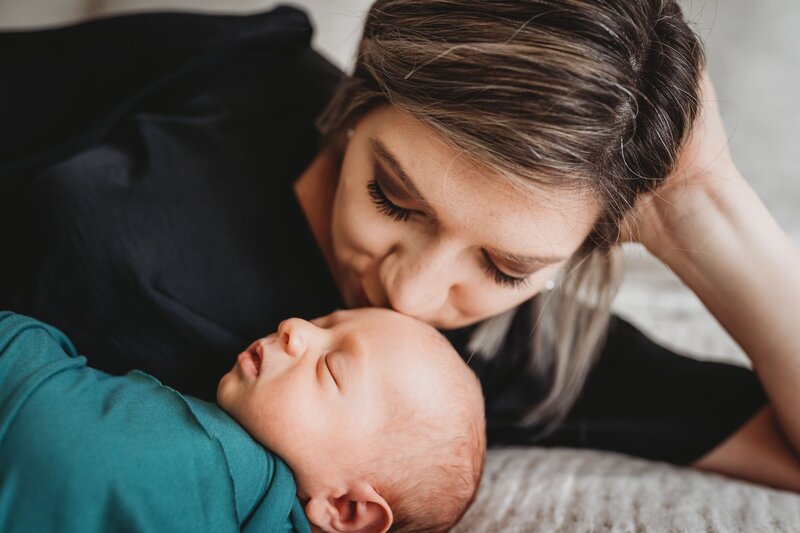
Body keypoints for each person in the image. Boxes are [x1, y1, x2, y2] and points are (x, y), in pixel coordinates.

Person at [1, 0, 799, 496]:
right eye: (393, 195)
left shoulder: (496, 366)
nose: (412, 297)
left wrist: (703, 204)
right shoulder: (242, 72)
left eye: (504, 266)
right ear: (357, 103)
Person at [0, 308, 485, 533]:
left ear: (346, 509)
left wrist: (19, 341)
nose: (294, 328)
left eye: (331, 367)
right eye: (326, 322)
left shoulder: (216, 468)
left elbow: (62, 447)